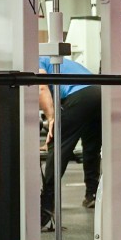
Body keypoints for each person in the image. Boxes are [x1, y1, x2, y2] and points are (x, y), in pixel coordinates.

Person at [38, 55, 102, 230]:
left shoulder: (34, 58)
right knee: (91, 148)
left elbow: (41, 88)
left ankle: (45, 212)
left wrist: (51, 119)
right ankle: (92, 194)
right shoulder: (57, 60)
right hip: (99, 92)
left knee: (58, 149)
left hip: (79, 96)